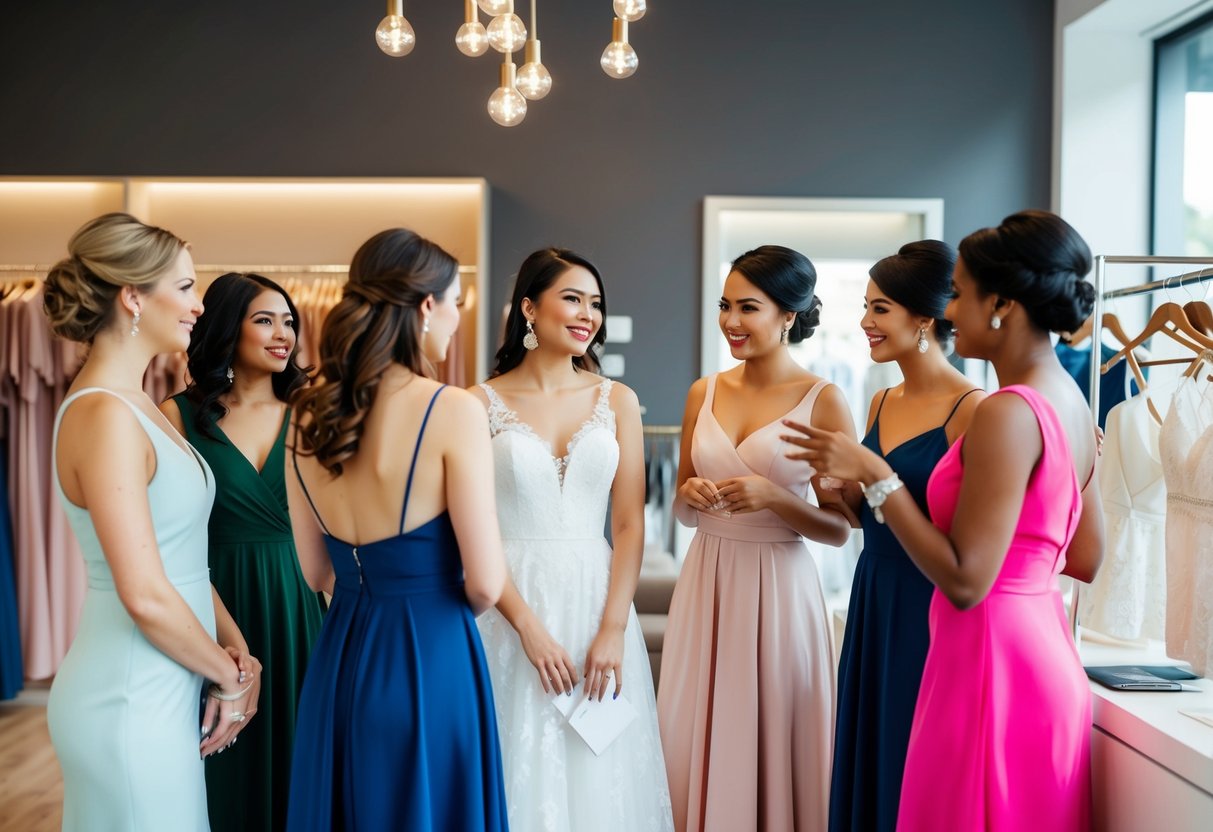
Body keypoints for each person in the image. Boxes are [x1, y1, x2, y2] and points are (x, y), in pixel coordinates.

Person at [785, 210, 1104, 831]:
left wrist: (875, 475)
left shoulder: (1005, 412)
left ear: (1002, 304)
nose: (949, 310)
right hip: (1040, 652)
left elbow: (964, 580)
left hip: (987, 658)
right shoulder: (1069, 399)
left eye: (959, 293)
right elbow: (1086, 556)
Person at [285, 228, 509, 830]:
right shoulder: (453, 408)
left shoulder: (305, 414)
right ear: (425, 306)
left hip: (339, 659)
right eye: (456, 303)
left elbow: (315, 572)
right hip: (431, 655)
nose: (458, 320)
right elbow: (487, 583)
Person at [43, 212, 260, 831]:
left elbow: (180, 558)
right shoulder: (104, 415)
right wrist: (230, 679)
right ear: (133, 297)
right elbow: (142, 592)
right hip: (129, 696)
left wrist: (236, 649)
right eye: (186, 287)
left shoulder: (141, 406)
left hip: (166, 683)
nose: (198, 305)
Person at [470, 248, 673, 832]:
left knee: (598, 770)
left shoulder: (618, 400)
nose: (589, 315)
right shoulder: (476, 403)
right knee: (514, 758)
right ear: (529, 308)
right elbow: (472, 529)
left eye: (597, 304)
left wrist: (611, 628)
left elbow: (630, 524)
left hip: (596, 600)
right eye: (573, 298)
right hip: (508, 604)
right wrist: (528, 629)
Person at [659, 244, 856, 832]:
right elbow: (683, 512)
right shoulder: (704, 391)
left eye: (748, 307)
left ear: (789, 316)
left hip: (780, 588)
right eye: (725, 305)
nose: (731, 322)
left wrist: (777, 499)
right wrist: (688, 496)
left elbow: (841, 530)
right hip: (706, 580)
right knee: (696, 724)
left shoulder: (824, 401)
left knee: (768, 730)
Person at [824, 241, 984, 832]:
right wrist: (836, 491)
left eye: (880, 308)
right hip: (873, 593)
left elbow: (967, 535)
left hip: (928, 601)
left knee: (911, 751)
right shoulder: (881, 399)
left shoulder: (973, 409)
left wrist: (871, 478)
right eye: (866, 307)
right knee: (870, 743)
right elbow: (872, 514)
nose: (865, 322)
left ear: (924, 317)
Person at [161, 272, 324, 832]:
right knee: (218, 759)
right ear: (228, 329)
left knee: (303, 761)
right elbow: (171, 538)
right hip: (212, 602)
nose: (284, 334)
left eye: (289, 321)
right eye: (264, 320)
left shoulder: (312, 411)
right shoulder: (177, 416)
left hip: (302, 606)